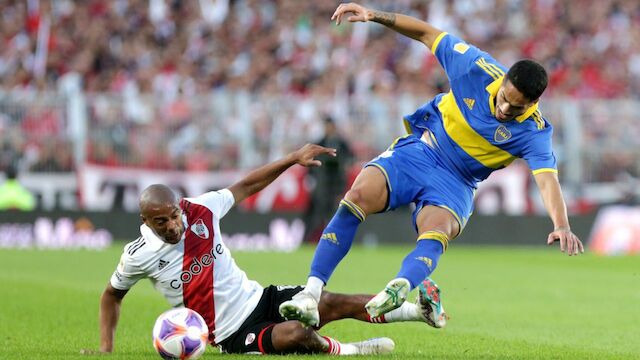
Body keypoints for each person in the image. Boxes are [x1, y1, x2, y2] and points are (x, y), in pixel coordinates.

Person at [279, 2, 585, 327]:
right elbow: (427, 33)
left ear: (534, 103)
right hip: (422, 151)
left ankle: (401, 286)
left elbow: (547, 179)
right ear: (504, 79)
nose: (505, 108)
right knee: (355, 199)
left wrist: (561, 224)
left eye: (516, 106)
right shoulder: (474, 67)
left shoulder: (535, 131)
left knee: (436, 231)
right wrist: (374, 16)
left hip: (457, 182)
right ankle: (310, 295)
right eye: (504, 97)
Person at [86, 144, 446, 356]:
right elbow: (110, 296)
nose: (173, 225)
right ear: (146, 222)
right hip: (229, 332)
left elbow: (247, 184)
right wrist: (106, 348)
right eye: (162, 222)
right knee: (296, 333)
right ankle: (351, 350)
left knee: (331, 302)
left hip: (259, 298)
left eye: (174, 215)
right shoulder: (138, 254)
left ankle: (421, 313)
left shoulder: (202, 209)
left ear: (180, 207)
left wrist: (292, 158)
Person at [303, 116, 353, 242]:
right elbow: (310, 165)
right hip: (322, 185)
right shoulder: (319, 143)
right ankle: (312, 238)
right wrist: (312, 180)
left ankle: (334, 238)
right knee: (318, 213)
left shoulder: (341, 144)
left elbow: (351, 158)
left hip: (336, 185)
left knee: (335, 213)